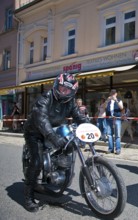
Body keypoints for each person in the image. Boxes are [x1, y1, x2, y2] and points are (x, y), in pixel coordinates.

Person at [22, 73, 89, 212]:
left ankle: (60, 168)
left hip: (56, 128)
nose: (63, 91)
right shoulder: (45, 99)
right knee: (37, 162)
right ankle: (28, 196)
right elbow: (42, 121)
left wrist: (91, 127)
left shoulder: (70, 102)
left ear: (72, 92)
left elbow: (78, 116)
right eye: (61, 88)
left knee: (69, 144)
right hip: (35, 132)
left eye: (67, 90)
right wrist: (53, 138)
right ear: (55, 85)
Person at [105, 89, 124, 155]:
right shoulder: (108, 101)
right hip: (109, 119)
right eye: (112, 93)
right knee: (109, 135)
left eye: (114, 93)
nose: (113, 94)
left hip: (117, 119)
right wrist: (107, 100)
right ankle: (110, 149)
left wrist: (115, 100)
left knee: (117, 135)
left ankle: (118, 149)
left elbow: (121, 108)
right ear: (110, 94)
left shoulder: (119, 100)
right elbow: (104, 107)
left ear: (116, 94)